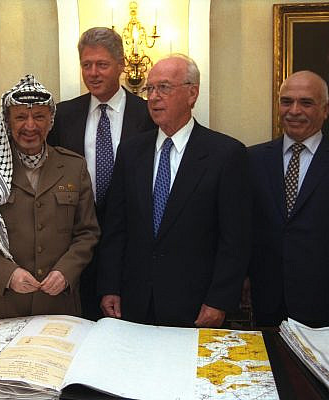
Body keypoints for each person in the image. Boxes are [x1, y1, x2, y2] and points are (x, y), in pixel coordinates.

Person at [97, 55, 251, 328]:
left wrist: (219, 300)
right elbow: (116, 227)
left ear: (192, 94)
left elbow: (235, 239)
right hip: (135, 302)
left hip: (196, 304)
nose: (154, 97)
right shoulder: (132, 152)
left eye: (164, 88)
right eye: (150, 89)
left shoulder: (225, 154)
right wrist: (110, 286)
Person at [0, 75, 100, 321]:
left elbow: (87, 233)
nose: (30, 126)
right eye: (20, 117)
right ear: (7, 122)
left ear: (51, 121)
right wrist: (7, 275)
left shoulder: (74, 166)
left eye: (39, 116)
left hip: (57, 305)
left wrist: (66, 271)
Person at [248, 70, 329, 328]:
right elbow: (242, 226)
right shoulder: (252, 159)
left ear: (326, 109)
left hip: (327, 298)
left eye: (306, 103)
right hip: (267, 297)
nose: (294, 110)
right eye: (286, 101)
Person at [47, 27, 156, 320]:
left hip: (131, 246)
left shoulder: (148, 116)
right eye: (86, 64)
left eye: (102, 65)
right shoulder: (63, 116)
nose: (93, 73)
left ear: (121, 65)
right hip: (74, 245)